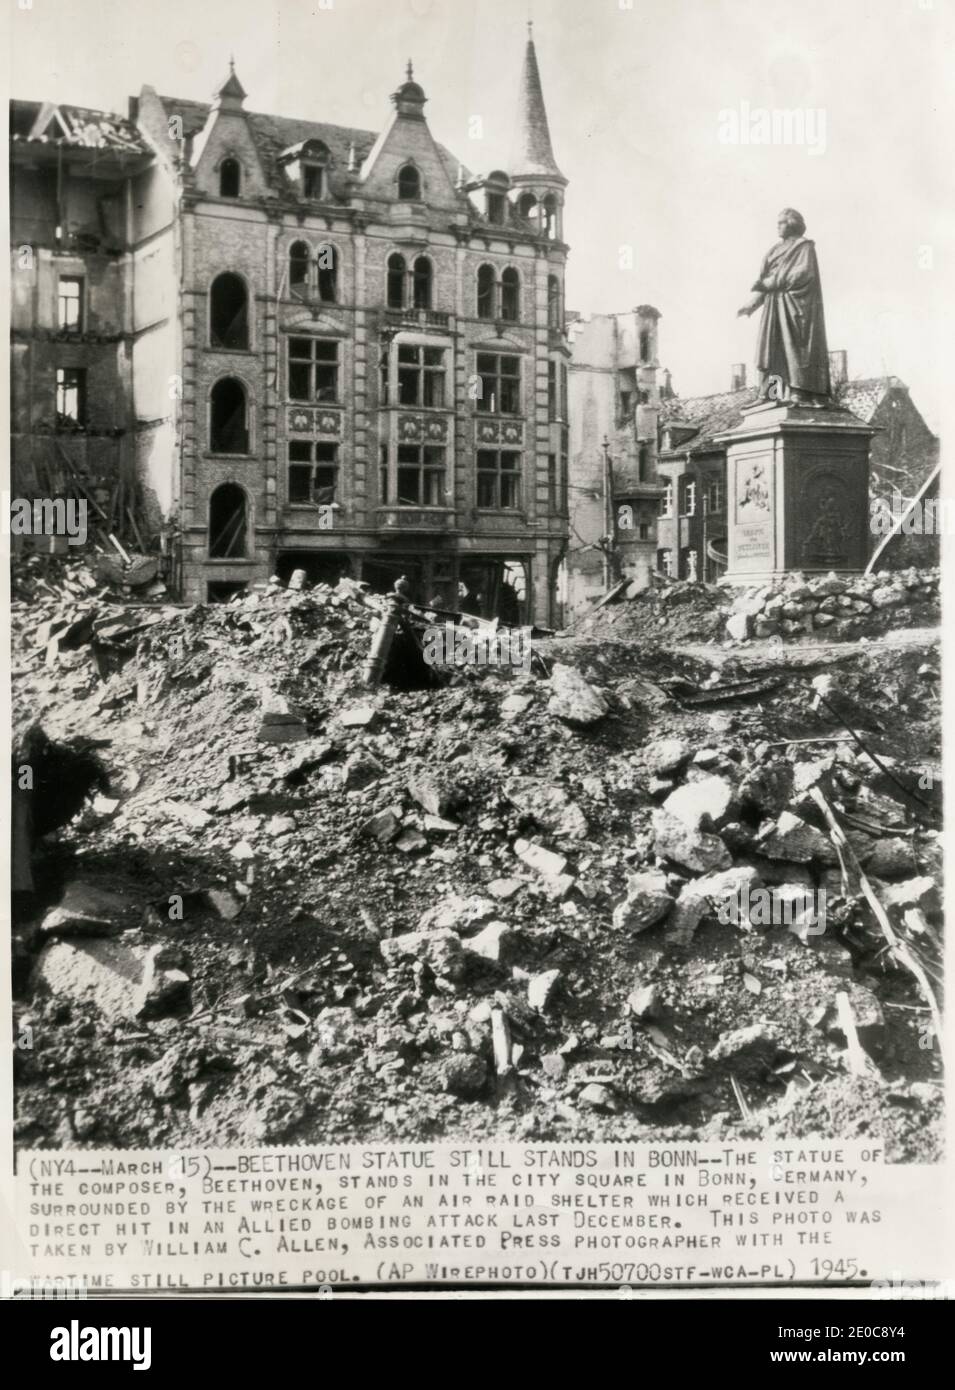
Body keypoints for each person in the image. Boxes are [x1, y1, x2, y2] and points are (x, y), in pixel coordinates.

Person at [737, 208, 831, 404]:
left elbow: (804, 273)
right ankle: (771, 394)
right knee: (771, 351)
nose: (778, 226)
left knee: (795, 351)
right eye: (777, 223)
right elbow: (764, 280)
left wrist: (774, 282)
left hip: (796, 306)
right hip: (774, 307)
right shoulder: (773, 250)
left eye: (782, 222)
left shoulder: (804, 247)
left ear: (793, 223)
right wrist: (752, 303)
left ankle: (800, 391)